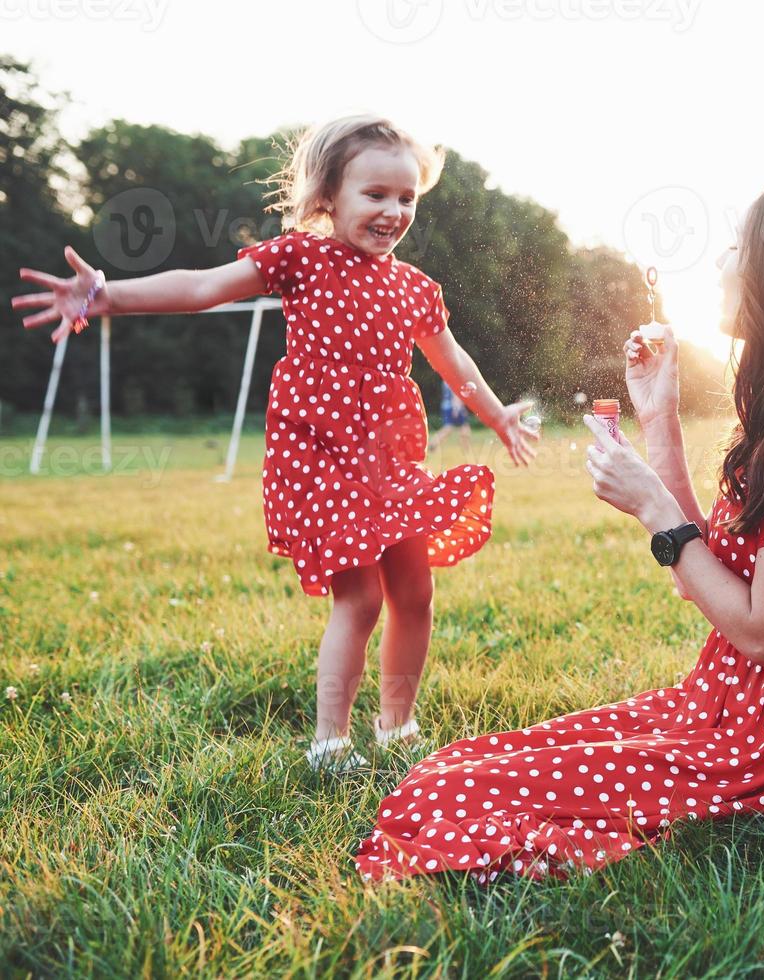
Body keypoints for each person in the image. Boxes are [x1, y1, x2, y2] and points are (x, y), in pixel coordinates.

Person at [355, 177, 764, 883]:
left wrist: (656, 511)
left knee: (450, 794)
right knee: (466, 766)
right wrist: (659, 415)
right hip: (729, 700)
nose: (722, 264)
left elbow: (762, 631)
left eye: (737, 247)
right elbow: (711, 575)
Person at [10, 115, 540, 772]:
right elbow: (201, 287)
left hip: (389, 463)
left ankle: (397, 726)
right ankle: (330, 742)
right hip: (323, 461)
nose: (393, 211)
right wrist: (106, 295)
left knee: (414, 590)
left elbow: (455, 363)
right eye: (375, 195)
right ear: (329, 196)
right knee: (362, 597)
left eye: (406, 198)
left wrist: (498, 417)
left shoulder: (415, 289)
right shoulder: (300, 257)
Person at [428, 380, 474, 456]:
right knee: (455, 428)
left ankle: (433, 444)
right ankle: (466, 451)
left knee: (460, 428)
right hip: (453, 406)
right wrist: (457, 408)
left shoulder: (446, 379)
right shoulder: (454, 378)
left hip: (446, 406)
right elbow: (456, 394)